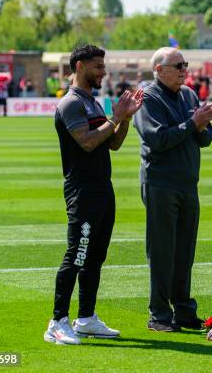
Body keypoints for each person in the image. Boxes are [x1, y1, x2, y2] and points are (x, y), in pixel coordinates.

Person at [44, 44, 143, 345]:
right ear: (79, 67)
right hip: (82, 191)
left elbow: (111, 145)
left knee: (95, 257)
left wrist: (124, 119)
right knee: (77, 254)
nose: (103, 72)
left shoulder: (93, 103)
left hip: (103, 189)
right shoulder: (72, 103)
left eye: (103, 66)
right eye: (97, 66)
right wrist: (115, 119)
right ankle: (57, 321)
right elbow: (87, 142)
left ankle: (85, 318)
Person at [134, 47, 212, 332]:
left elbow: (206, 138)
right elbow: (158, 139)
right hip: (161, 183)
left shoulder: (189, 95)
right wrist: (193, 123)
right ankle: (159, 314)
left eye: (185, 64)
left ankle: (183, 310)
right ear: (159, 70)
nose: (184, 69)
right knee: (161, 251)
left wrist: (201, 126)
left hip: (187, 184)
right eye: (178, 65)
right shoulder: (148, 97)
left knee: (184, 250)